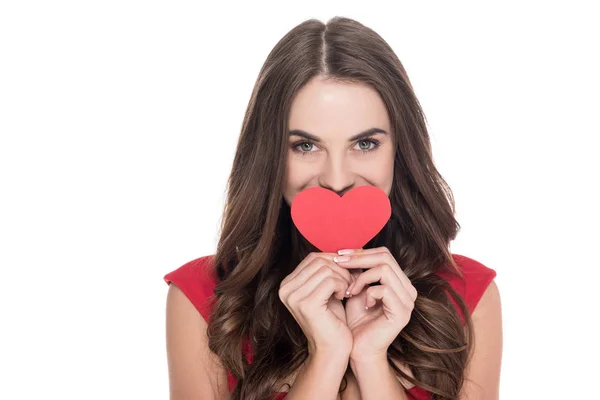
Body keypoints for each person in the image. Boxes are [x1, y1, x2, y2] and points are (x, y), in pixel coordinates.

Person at [164, 16, 502, 400]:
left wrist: (371, 359)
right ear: (270, 154)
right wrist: (326, 356)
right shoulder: (202, 297)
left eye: (365, 144)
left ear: (400, 149)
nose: (337, 179)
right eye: (306, 146)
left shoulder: (468, 294)